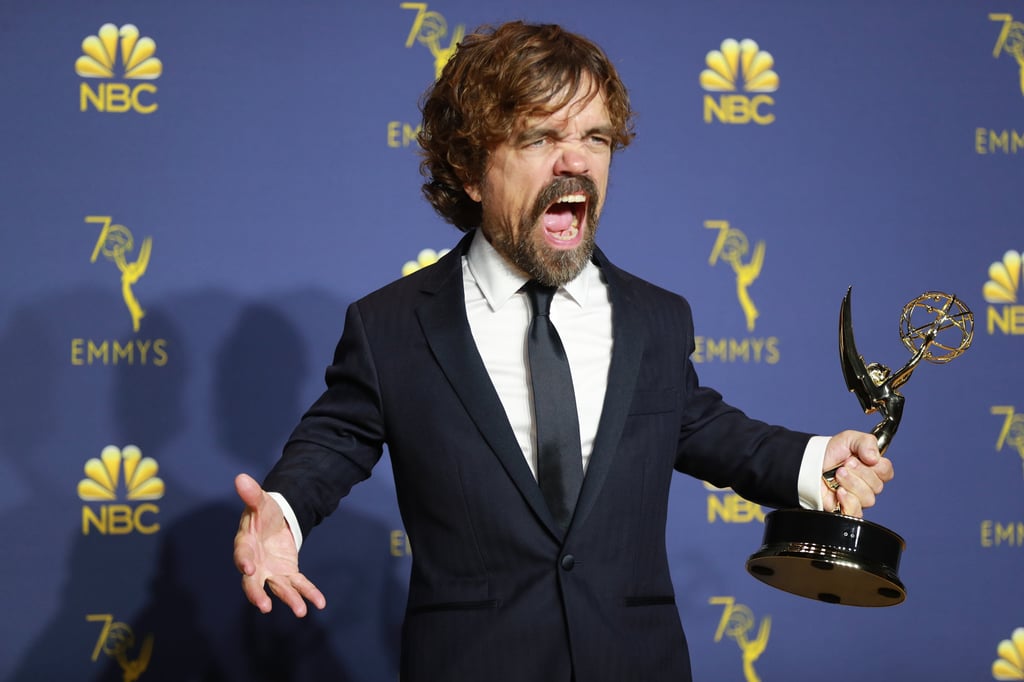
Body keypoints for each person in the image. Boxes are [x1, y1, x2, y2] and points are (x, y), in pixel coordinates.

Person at [233, 21, 893, 682]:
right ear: (469, 170)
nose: (575, 162)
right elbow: (333, 442)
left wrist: (814, 461)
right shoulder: (392, 325)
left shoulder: (656, 318)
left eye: (595, 138)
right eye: (540, 137)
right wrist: (282, 517)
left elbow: (698, 425)